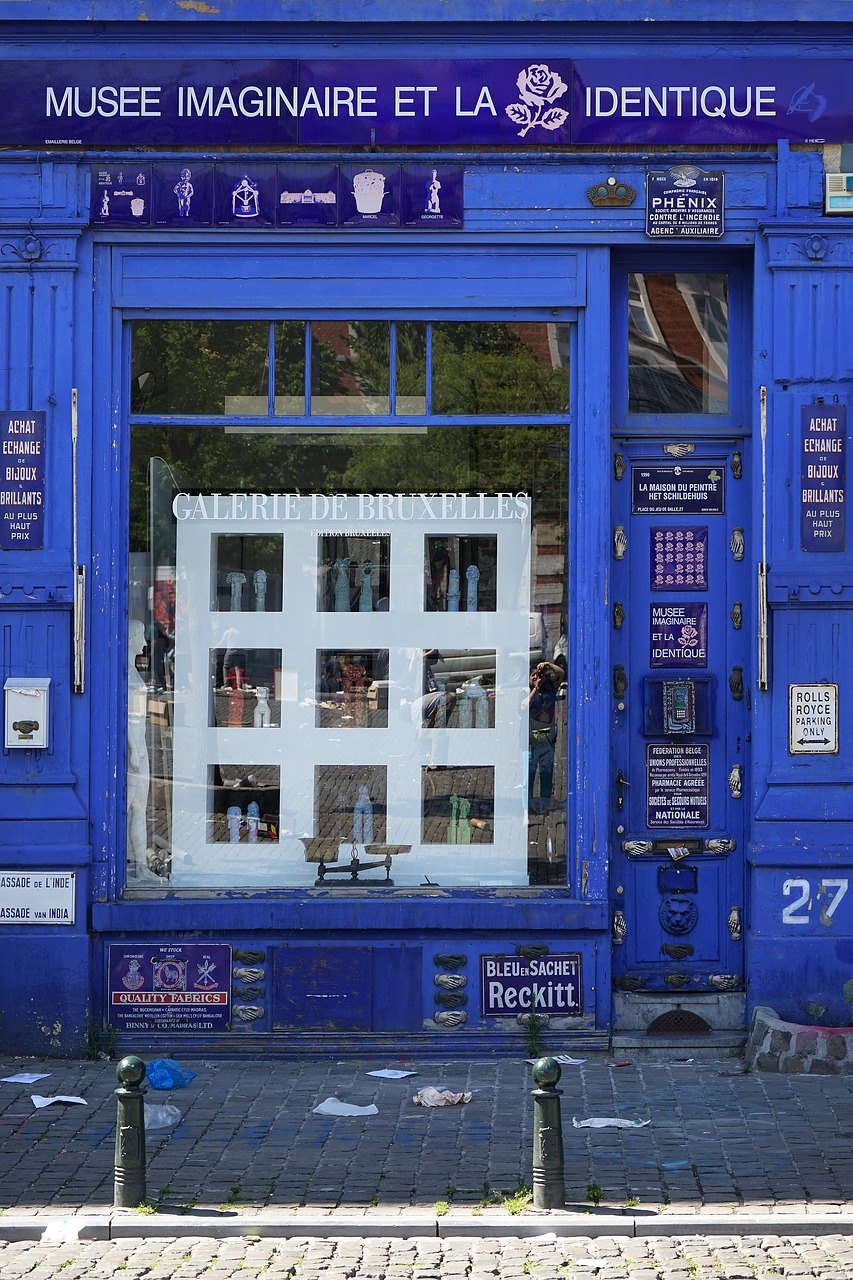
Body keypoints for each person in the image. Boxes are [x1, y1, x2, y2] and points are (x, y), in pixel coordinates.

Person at [524, 662, 558, 815]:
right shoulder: (527, 691)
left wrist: (549, 665)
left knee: (546, 773)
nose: (536, 678)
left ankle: (544, 803)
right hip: (531, 742)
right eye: (533, 675)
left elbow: (561, 674)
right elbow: (524, 706)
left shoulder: (550, 688)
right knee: (529, 775)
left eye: (538, 675)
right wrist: (536, 688)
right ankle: (528, 804)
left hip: (548, 741)